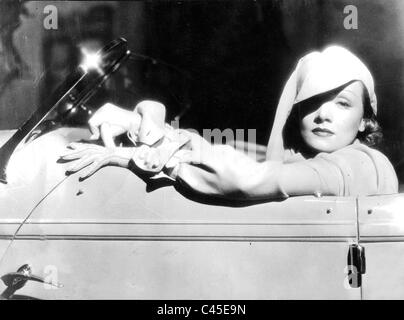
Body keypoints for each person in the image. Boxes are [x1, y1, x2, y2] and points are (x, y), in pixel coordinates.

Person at [61, 45, 398, 200]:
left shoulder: (361, 165)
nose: (323, 114)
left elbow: (252, 179)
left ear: (366, 121)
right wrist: (145, 129)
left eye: (342, 104)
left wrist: (157, 152)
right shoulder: (311, 157)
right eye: (310, 103)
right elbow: (240, 156)